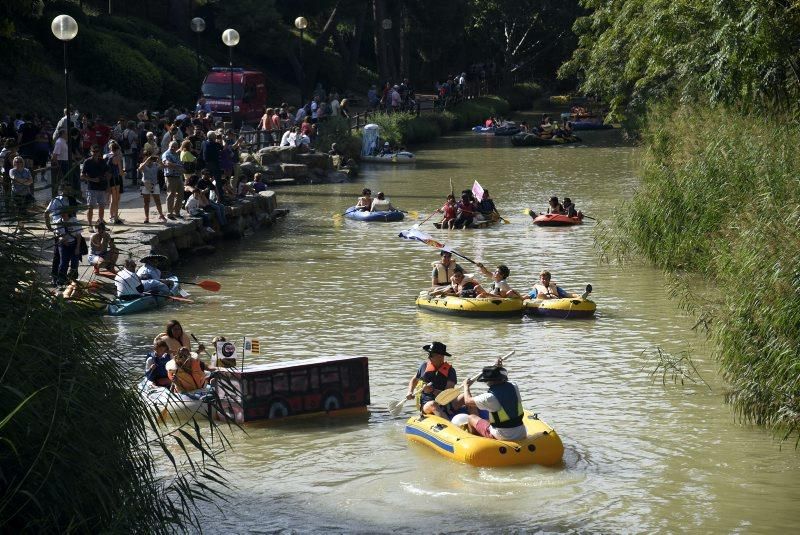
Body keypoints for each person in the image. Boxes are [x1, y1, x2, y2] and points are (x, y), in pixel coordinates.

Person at [461, 365, 527, 441]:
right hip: (521, 433)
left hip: (502, 436)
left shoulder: (489, 397)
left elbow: (467, 401)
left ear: (488, 382)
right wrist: (498, 368)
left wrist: (466, 387)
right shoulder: (514, 386)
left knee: (471, 417)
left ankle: (476, 441)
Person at [405, 342, 458, 417]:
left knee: (463, 396)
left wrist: (432, 390)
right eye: (428, 354)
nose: (428, 357)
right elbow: (414, 380)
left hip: (444, 402)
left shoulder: (450, 371)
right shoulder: (424, 366)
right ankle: (449, 424)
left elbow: (448, 395)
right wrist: (410, 391)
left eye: (431, 355)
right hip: (427, 404)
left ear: (440, 356)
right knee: (433, 404)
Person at [80, 144, 109, 230]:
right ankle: (90, 225)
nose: (96, 153)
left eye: (97, 151)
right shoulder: (87, 162)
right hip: (92, 187)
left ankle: (100, 223)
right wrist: (92, 179)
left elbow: (108, 172)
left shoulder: (102, 161)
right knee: (90, 207)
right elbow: (82, 175)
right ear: (91, 152)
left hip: (102, 187)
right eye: (94, 151)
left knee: (102, 206)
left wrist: (107, 182)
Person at [138, 155, 167, 223]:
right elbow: (140, 169)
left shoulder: (155, 164)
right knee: (146, 202)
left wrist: (159, 159)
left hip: (155, 184)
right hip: (146, 185)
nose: (150, 160)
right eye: (148, 159)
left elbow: (163, 166)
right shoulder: (143, 164)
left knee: (157, 201)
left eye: (151, 159)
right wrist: (146, 161)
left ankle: (161, 215)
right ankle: (146, 217)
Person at [162, 141, 184, 220]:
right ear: (169, 145)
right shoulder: (166, 154)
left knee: (181, 194)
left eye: (175, 146)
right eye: (172, 146)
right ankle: (169, 213)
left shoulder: (176, 154)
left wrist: (180, 167)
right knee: (171, 194)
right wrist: (178, 167)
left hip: (178, 176)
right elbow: (167, 163)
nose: (173, 148)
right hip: (170, 176)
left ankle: (176, 212)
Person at [105, 141, 124, 224]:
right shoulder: (117, 158)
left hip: (108, 179)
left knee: (112, 199)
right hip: (115, 179)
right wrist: (124, 173)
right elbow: (120, 172)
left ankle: (111, 216)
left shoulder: (106, 156)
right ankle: (115, 217)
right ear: (117, 149)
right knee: (115, 199)